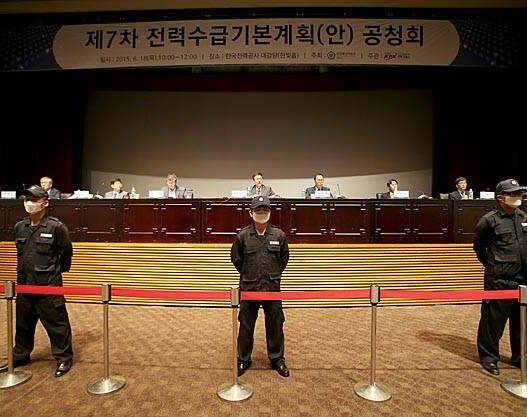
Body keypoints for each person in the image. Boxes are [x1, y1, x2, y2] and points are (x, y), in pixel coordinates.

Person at [0, 185, 73, 377]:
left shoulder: (56, 227)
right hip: (24, 284)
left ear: (45, 203)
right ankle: (21, 354)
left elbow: (66, 254)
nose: (29, 203)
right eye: (27, 200)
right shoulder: (19, 227)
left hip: (48, 285)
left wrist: (55, 273)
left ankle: (64, 357)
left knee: (56, 323)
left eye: (33, 200)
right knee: (23, 324)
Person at [231, 195, 290, 378]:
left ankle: (277, 359)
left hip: (272, 288)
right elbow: (237, 260)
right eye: (258, 210)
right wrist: (250, 275)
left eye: (265, 210)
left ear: (270, 212)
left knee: (276, 324)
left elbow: (283, 260)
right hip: (249, 288)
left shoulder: (279, 235)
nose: (261, 213)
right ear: (251, 213)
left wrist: (272, 275)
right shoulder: (242, 236)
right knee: (246, 325)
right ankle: (243, 359)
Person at [473, 178, 527, 375]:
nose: (517, 197)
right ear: (500, 198)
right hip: (500, 279)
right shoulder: (489, 220)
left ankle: (520, 357)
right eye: (513, 194)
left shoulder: (524, 217)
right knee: (493, 321)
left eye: (519, 193)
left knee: (522, 321)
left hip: (523, 279)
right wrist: (493, 266)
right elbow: (479, 247)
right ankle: (489, 357)